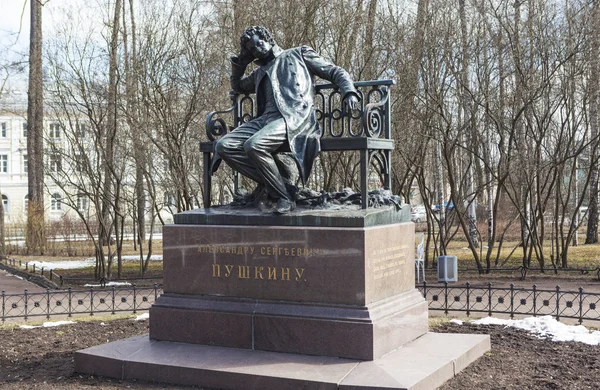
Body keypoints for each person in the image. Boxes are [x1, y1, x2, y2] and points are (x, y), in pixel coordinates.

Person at [213, 26, 359, 213]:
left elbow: (334, 71)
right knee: (223, 146)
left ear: (268, 38)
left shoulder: (299, 54)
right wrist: (239, 64)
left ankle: (283, 197)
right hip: (265, 119)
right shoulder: (260, 71)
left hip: (294, 117)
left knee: (254, 145)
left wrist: (349, 92)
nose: (257, 49)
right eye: (252, 49)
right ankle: (281, 186)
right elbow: (239, 86)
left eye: (259, 42)